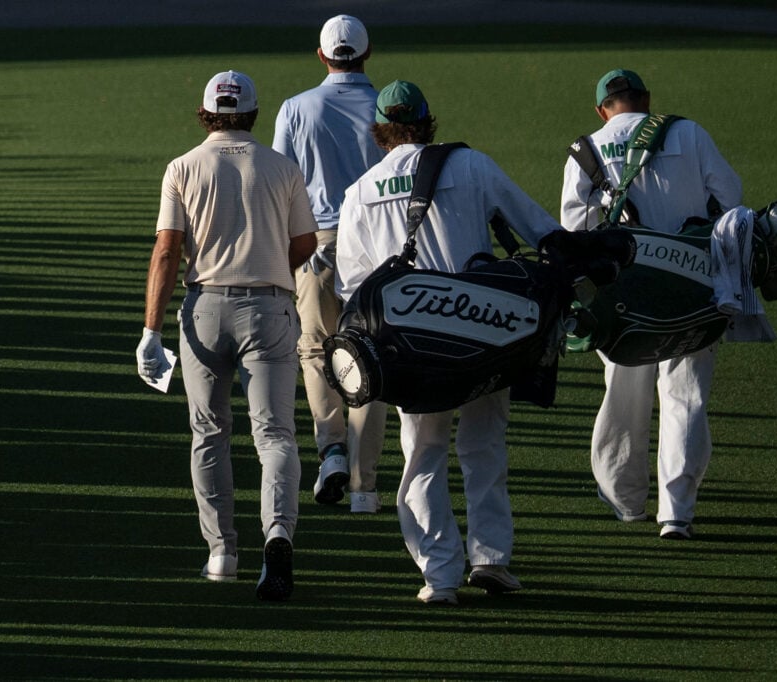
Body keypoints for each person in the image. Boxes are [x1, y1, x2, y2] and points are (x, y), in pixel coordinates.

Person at [336, 80, 567, 604]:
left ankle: (439, 573)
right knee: (484, 446)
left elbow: (352, 290)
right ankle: (491, 559)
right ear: (426, 121)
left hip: (411, 350)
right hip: (485, 332)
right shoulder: (470, 165)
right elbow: (540, 230)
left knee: (423, 455)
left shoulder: (360, 192)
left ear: (380, 131)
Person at [136, 70, 317, 600]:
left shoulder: (182, 168)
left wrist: (150, 330)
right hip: (269, 308)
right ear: (254, 113)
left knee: (209, 433)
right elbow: (304, 241)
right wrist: (269, 268)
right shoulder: (282, 167)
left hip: (204, 311)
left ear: (206, 112)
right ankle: (278, 535)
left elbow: (168, 252)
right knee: (275, 435)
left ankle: (221, 552)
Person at [560, 68, 743, 540]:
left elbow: (575, 232)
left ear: (603, 109)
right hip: (693, 288)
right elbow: (732, 199)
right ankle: (676, 511)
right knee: (685, 396)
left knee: (624, 391)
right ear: (645, 100)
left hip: (621, 297)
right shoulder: (688, 132)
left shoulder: (585, 150)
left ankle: (625, 500)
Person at [272, 14, 389, 514]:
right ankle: (364, 486)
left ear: (321, 56)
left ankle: (332, 448)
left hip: (318, 241)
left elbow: (280, 186)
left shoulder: (296, 108)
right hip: (382, 247)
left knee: (316, 348)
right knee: (373, 355)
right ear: (367, 53)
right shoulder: (390, 106)